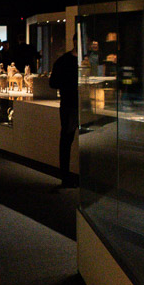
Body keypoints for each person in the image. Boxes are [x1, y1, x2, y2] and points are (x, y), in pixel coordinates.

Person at [50, 48, 78, 187]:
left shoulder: (63, 61)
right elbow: (53, 83)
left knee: (67, 140)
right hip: (71, 104)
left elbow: (53, 83)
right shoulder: (64, 61)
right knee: (67, 139)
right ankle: (66, 177)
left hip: (72, 104)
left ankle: (66, 176)